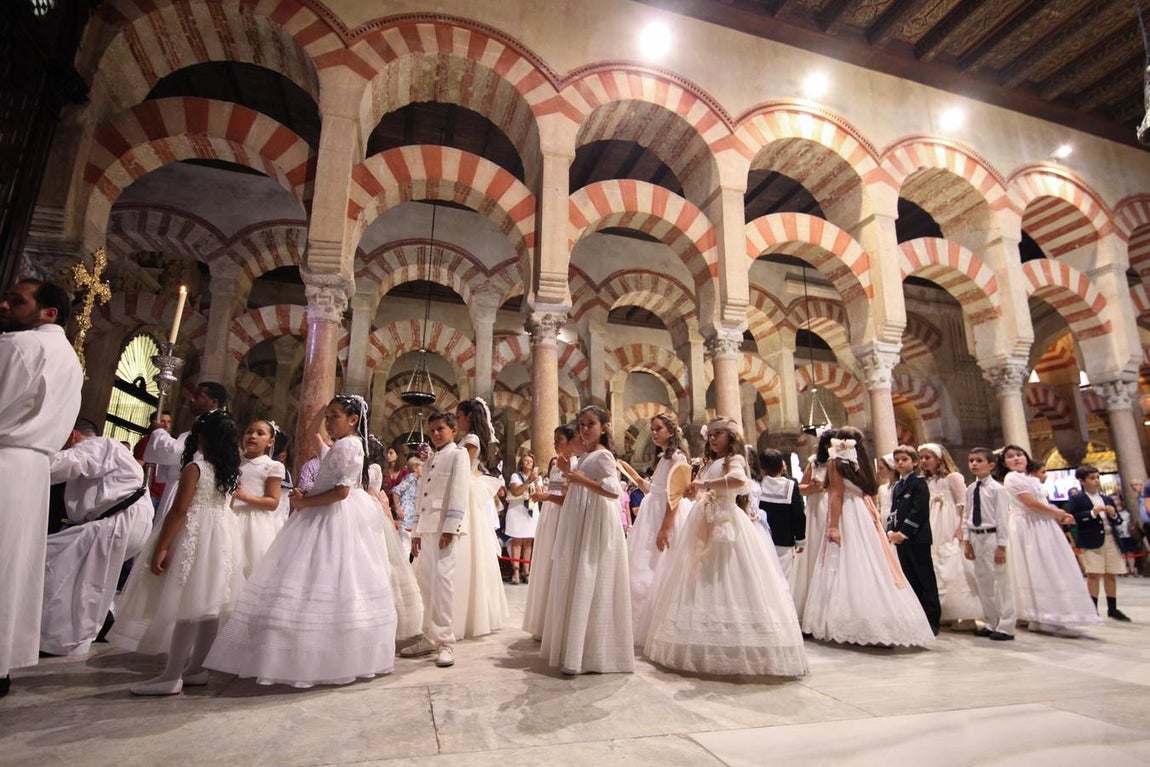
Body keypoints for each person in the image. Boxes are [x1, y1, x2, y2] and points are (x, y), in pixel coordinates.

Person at [206, 395, 397, 687]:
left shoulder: (349, 446)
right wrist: (319, 412)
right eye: (329, 416)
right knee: (309, 580)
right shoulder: (339, 445)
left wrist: (306, 502)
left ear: (353, 420)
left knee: (328, 580)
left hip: (333, 516)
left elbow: (341, 492)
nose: (329, 422)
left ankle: (319, 656)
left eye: (335, 416)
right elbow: (313, 438)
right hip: (321, 512)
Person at [645, 418, 807, 677]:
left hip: (726, 522)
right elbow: (702, 488)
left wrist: (706, 486)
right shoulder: (709, 462)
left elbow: (738, 481)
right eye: (710, 435)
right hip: (704, 519)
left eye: (718, 434)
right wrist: (693, 492)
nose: (713, 439)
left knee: (729, 574)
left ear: (730, 437)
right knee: (700, 575)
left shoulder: (735, 459)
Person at [108, 411, 242, 695]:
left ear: (203, 437)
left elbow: (179, 510)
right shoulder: (229, 471)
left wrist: (162, 546)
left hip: (195, 533)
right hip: (221, 536)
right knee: (208, 609)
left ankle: (171, 675)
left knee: (187, 608)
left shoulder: (196, 469)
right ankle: (196, 668)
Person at [0, 278, 83, 698]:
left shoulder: (18, 346)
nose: (5, 305)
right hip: (32, 470)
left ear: (49, 312)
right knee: (12, 567)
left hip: (5, 456)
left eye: (17, 301)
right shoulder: (70, 360)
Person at [803, 430, 934, 647]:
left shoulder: (837, 462)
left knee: (846, 564)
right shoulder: (862, 460)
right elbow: (869, 491)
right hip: (862, 513)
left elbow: (836, 494)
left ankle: (854, 622)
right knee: (870, 563)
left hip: (846, 513)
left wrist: (833, 526)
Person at [41, 418, 153, 656]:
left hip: (117, 521)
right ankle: (93, 628)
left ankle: (60, 639)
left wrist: (28, 461)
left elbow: (66, 463)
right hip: (125, 521)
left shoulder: (97, 444)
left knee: (52, 566)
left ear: (72, 435)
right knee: (86, 580)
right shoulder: (113, 449)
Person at [541, 406, 634, 675]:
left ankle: (591, 652)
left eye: (590, 424)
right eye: (581, 424)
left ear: (604, 427)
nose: (584, 429)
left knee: (590, 574)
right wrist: (568, 469)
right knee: (577, 575)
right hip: (580, 516)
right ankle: (575, 649)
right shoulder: (586, 455)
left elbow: (613, 491)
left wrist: (579, 478)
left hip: (595, 519)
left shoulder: (604, 455)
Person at [995, 445, 1101, 637]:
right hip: (1028, 526)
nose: (1016, 458)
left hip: (1042, 523)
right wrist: (1055, 512)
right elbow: (1029, 503)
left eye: (1019, 455)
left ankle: (1053, 614)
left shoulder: (1029, 478)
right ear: (1004, 463)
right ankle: (1042, 616)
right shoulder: (1012, 478)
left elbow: (1041, 503)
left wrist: (1058, 516)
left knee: (1052, 567)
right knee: (1038, 567)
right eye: (1010, 457)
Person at [400, 411, 472, 668]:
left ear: (453, 430)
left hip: (444, 529)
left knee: (442, 583)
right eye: (432, 430)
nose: (436, 433)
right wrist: (417, 532)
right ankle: (429, 636)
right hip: (427, 528)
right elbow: (422, 495)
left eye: (441, 428)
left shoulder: (458, 455)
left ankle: (446, 642)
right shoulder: (430, 459)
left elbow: (459, 492)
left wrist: (451, 528)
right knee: (425, 582)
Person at [627, 412, 691, 647]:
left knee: (661, 566)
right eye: (652, 429)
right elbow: (655, 489)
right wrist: (634, 476)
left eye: (658, 429)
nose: (654, 433)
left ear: (671, 432)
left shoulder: (678, 458)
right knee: (645, 567)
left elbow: (675, 494)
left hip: (666, 515)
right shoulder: (664, 458)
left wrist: (665, 528)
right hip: (652, 512)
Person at [453, 398, 509, 637]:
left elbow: (462, 469)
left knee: (468, 547)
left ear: (468, 416)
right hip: (469, 489)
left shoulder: (471, 440)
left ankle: (466, 612)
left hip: (464, 491)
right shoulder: (470, 439)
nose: (456, 421)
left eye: (459, 416)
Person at [143, 381, 228, 523]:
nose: (191, 399)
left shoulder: (207, 426)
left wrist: (157, 433)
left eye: (198, 396)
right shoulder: (213, 423)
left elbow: (177, 452)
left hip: (184, 488)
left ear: (213, 402)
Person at [523, 425, 578, 640]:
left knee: (558, 564)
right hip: (549, 514)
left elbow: (569, 498)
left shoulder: (573, 464)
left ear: (571, 442)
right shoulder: (556, 464)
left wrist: (547, 497)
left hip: (562, 515)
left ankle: (559, 623)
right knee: (545, 563)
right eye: (554, 440)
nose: (556, 444)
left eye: (560, 440)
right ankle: (544, 621)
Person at [917, 443, 981, 628]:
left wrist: (961, 527)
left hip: (950, 522)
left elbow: (964, 503)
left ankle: (968, 615)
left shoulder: (953, 477)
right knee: (937, 566)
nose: (923, 461)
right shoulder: (926, 481)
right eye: (921, 458)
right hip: (933, 524)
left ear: (939, 458)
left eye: (927, 457)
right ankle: (947, 612)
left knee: (957, 565)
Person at [366, 439, 424, 641]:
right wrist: (396, 509)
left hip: (391, 513)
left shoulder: (375, 470)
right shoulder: (408, 479)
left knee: (399, 549)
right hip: (398, 514)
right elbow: (394, 492)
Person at [887, 444, 941, 636]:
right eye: (897, 460)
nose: (900, 463)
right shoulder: (898, 486)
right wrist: (890, 531)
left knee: (924, 578)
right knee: (910, 578)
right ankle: (918, 618)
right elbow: (894, 510)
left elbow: (918, 511)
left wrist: (903, 533)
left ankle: (932, 619)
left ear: (915, 462)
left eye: (904, 459)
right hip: (900, 539)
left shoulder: (919, 483)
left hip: (917, 538)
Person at [962, 447, 1015, 641]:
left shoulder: (997, 489)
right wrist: (967, 541)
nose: (974, 464)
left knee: (1000, 582)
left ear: (991, 465)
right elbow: (967, 515)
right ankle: (991, 621)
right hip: (976, 537)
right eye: (971, 460)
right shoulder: (970, 489)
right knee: (983, 582)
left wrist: (1001, 546)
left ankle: (1006, 625)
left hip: (992, 536)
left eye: (979, 460)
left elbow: (1002, 518)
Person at [1067, 465, 1132, 622]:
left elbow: (1118, 521)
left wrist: (1113, 513)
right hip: (1091, 539)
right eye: (1092, 478)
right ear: (1082, 481)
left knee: (1111, 574)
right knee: (1094, 574)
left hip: (1110, 538)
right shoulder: (1078, 499)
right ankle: (1092, 609)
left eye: (1098, 478)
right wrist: (1092, 513)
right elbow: (1074, 518)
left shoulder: (1107, 498)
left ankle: (1113, 608)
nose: (1096, 481)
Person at [232, 420, 285, 578]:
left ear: (270, 441)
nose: (252, 436)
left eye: (260, 433)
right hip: (230, 516)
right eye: (249, 432)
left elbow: (272, 502)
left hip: (254, 522)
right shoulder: (234, 461)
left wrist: (244, 496)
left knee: (249, 568)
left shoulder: (272, 466)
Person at [790, 430, 833, 620]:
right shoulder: (815, 462)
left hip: (835, 507)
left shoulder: (843, 463)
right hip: (817, 510)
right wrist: (813, 488)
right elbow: (801, 488)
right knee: (814, 553)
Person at [758, 448, 806, 579]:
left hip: (763, 539)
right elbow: (798, 514)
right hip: (785, 541)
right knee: (784, 578)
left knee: (767, 577)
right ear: (782, 466)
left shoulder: (758, 487)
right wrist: (800, 539)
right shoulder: (791, 486)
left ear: (763, 468)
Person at [506, 453, 540, 584]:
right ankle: (515, 572)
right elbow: (516, 491)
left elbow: (539, 494)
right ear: (521, 463)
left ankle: (526, 571)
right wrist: (528, 481)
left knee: (528, 541)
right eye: (525, 461)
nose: (528, 463)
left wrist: (537, 483)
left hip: (531, 510)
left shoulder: (538, 477)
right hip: (517, 511)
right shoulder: (516, 476)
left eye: (530, 461)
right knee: (517, 541)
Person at [133, 410, 172, 506]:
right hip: (150, 492)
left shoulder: (168, 443)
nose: (166, 425)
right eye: (162, 421)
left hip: (163, 494)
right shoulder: (146, 442)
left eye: (169, 422)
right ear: (154, 423)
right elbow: (137, 467)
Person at [393, 455, 423, 559]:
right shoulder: (410, 478)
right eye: (421, 466)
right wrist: (398, 508)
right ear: (415, 468)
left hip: (413, 518)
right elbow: (396, 491)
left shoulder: (420, 480)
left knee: (410, 547)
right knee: (404, 547)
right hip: (406, 517)